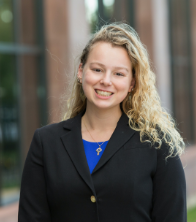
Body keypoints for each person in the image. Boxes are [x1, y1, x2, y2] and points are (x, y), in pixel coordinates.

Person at [18, 23, 187, 222]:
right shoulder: (46, 142)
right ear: (81, 71)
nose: (106, 81)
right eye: (97, 69)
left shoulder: (158, 144)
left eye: (119, 73)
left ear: (132, 83)